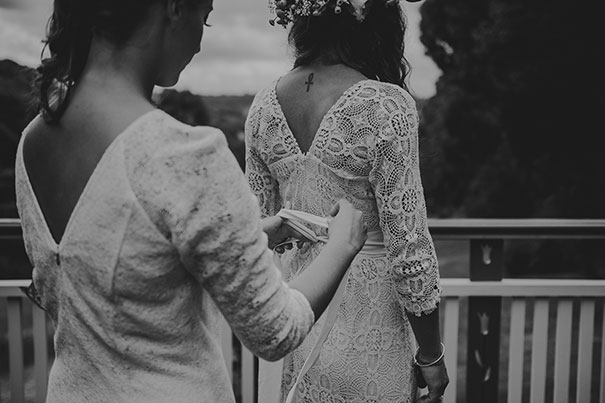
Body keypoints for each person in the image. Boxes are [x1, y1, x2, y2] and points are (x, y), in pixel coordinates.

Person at [14, 0, 369, 402]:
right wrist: (342, 244)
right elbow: (275, 330)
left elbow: (125, 258)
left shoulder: (34, 139)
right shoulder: (185, 153)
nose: (201, 42)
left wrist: (250, 237)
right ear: (174, 8)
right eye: (206, 17)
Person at [244, 0, 449, 402]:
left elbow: (257, 232)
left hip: (301, 316)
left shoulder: (263, 106)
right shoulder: (385, 106)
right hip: (370, 332)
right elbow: (409, 248)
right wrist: (430, 353)